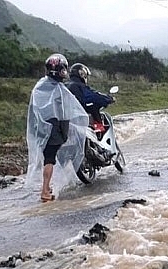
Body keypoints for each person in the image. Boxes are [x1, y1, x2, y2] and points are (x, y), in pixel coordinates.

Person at [26, 54, 89, 202]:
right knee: (50, 160)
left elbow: (34, 110)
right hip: (54, 128)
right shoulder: (60, 89)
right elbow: (66, 112)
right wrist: (64, 132)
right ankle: (45, 191)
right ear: (62, 70)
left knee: (48, 157)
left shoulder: (40, 86)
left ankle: (46, 189)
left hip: (41, 129)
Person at [66, 63, 114, 130]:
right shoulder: (79, 86)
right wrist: (107, 99)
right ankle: (99, 131)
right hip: (78, 117)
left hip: (66, 117)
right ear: (81, 73)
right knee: (93, 107)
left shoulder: (65, 85)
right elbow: (93, 96)